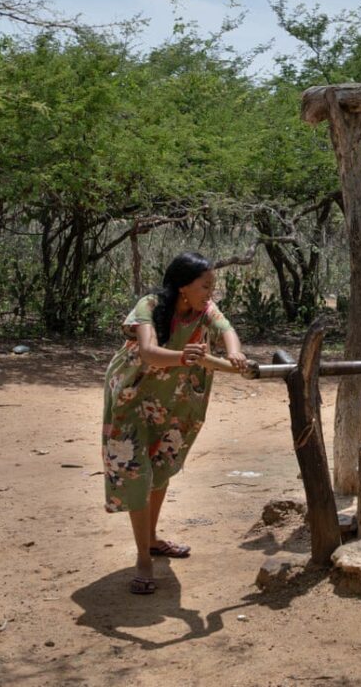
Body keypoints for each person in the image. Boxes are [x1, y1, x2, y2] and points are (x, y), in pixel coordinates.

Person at [100, 252, 247, 595]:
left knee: (161, 466)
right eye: (205, 285)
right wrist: (184, 357)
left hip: (171, 398)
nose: (210, 291)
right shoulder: (149, 306)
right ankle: (143, 560)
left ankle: (151, 539)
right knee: (137, 472)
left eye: (213, 285)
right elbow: (149, 351)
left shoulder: (204, 309)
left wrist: (235, 353)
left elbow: (227, 330)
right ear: (183, 287)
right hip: (133, 397)